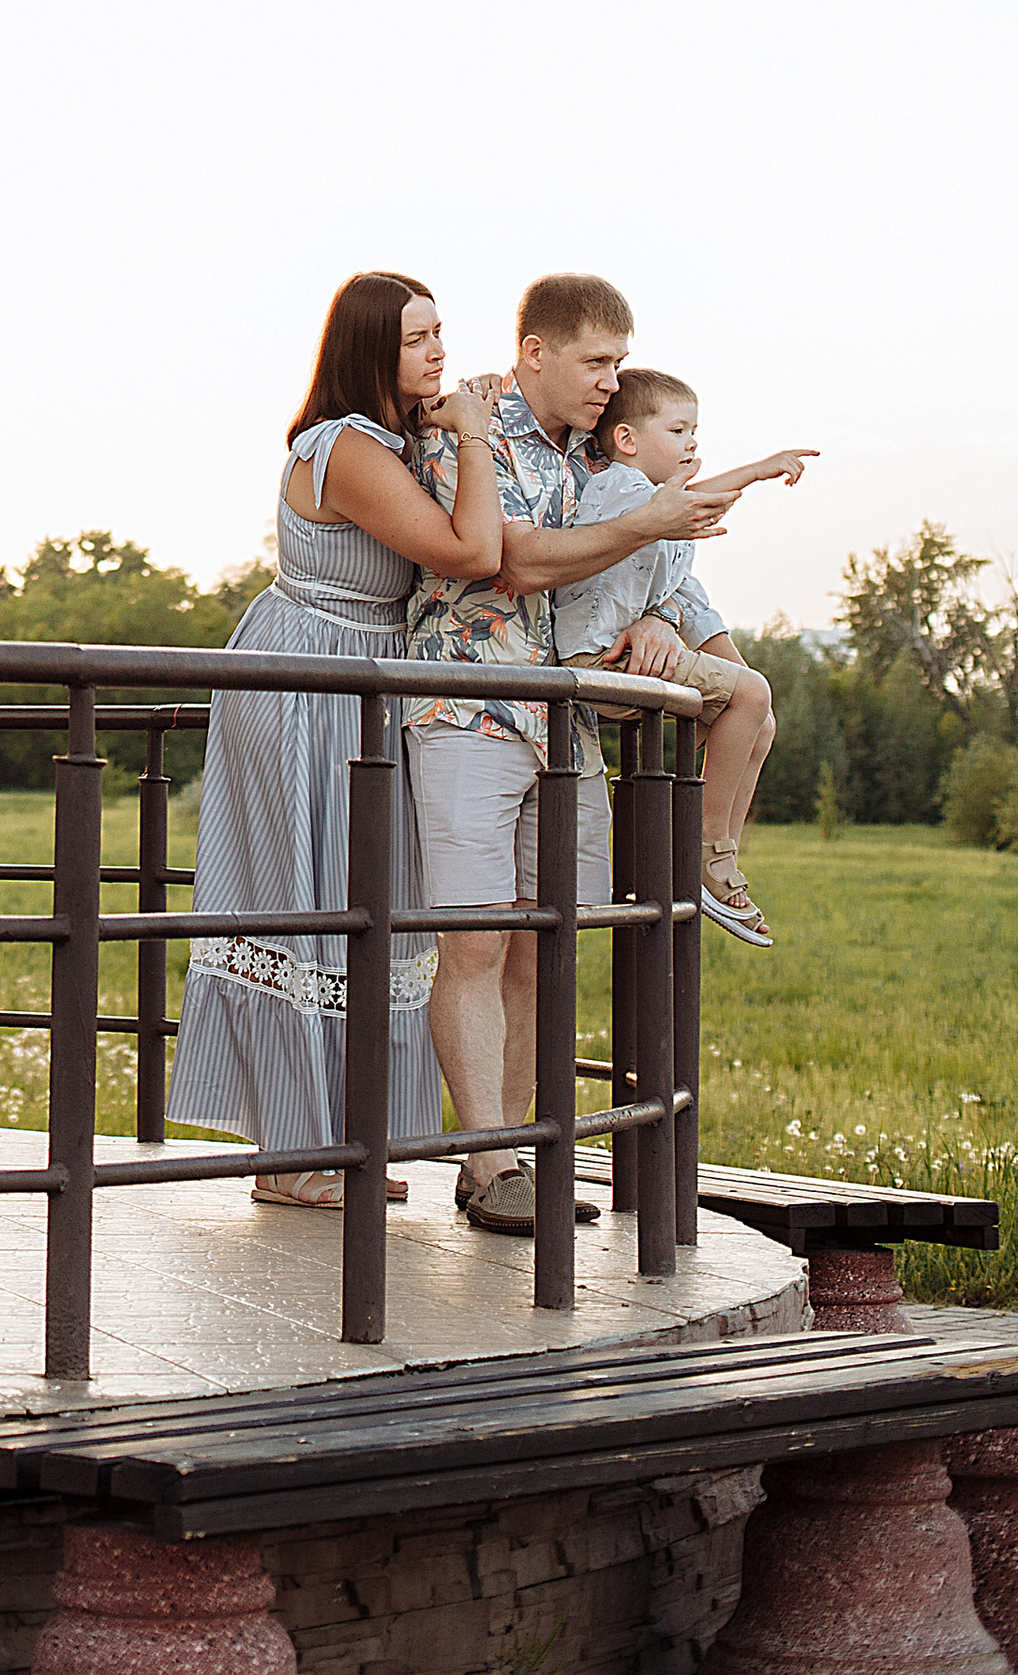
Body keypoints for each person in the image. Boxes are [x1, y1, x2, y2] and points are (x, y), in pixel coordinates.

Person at [404, 273, 732, 1239]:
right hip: (468, 712)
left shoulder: (598, 453)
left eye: (620, 365)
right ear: (535, 351)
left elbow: (640, 568)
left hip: (569, 729)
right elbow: (513, 559)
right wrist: (647, 525)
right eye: (595, 362)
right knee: (473, 940)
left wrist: (662, 617)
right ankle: (487, 1165)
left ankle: (528, 1157)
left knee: (547, 947)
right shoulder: (467, 429)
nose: (609, 382)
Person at [173, 270, 507, 1212]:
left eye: (442, 333)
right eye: (417, 340)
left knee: (358, 901)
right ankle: (289, 1155)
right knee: (301, 898)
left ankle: (329, 1142)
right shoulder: (351, 448)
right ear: (370, 353)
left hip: (362, 677)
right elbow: (472, 553)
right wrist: (475, 436)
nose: (439, 353)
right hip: (308, 673)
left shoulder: (395, 441)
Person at [557, 368, 812, 949]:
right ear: (627, 440)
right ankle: (705, 854)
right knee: (750, 695)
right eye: (678, 429)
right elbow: (694, 503)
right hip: (596, 662)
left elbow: (689, 600)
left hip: (614, 665)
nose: (692, 442)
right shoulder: (620, 489)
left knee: (757, 714)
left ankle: (697, 847)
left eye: (695, 429)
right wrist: (755, 470)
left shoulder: (660, 517)